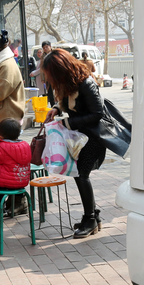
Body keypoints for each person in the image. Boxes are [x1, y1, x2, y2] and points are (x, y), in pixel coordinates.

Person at [42, 48, 107, 239]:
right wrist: (56, 109)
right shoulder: (68, 82)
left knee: (82, 175)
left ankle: (90, 219)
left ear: (61, 70)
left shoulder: (86, 83)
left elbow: (97, 113)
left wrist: (68, 122)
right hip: (79, 136)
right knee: (80, 175)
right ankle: (93, 216)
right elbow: (65, 101)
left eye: (50, 74)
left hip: (93, 137)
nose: (49, 78)